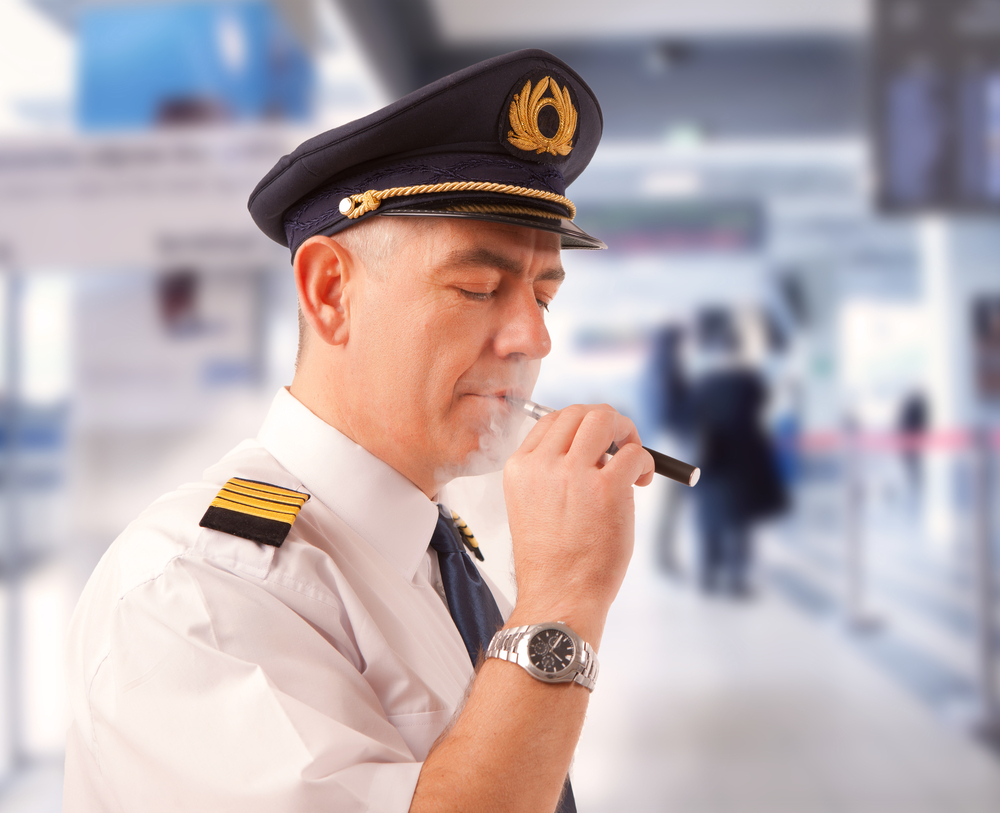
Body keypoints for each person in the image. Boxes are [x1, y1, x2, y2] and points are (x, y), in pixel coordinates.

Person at [63, 50, 654, 813]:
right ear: (329, 291)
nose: (533, 338)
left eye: (544, 294)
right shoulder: (194, 589)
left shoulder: (436, 551)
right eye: (479, 286)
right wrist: (565, 597)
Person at [686, 308, 786, 597]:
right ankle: (736, 579)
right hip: (742, 463)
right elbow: (761, 409)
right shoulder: (750, 383)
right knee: (740, 523)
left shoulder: (704, 384)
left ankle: (708, 574)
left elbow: (692, 417)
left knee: (710, 521)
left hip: (711, 460)